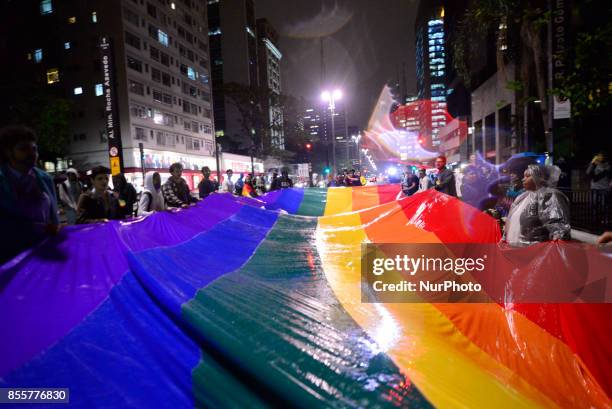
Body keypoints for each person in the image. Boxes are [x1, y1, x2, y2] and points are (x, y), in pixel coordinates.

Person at [0, 126, 60, 263]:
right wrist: (38, 228)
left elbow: (53, 218)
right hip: (10, 259)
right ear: (8, 152)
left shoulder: (45, 179)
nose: (32, 154)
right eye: (23, 149)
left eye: (34, 149)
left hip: (46, 255)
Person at [504, 164, 571, 247]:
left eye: (527, 176)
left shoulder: (549, 195)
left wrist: (558, 242)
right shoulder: (522, 197)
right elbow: (511, 219)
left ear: (539, 177)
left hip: (537, 253)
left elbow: (559, 227)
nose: (523, 179)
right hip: (517, 250)